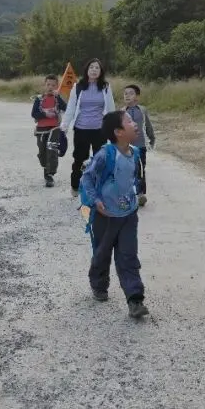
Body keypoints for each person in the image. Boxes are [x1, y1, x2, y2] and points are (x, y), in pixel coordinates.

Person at [78, 110, 149, 319]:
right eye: (129, 121)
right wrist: (95, 201)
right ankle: (99, 284)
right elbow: (87, 179)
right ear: (118, 132)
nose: (134, 123)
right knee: (102, 253)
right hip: (105, 216)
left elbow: (132, 179)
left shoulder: (135, 153)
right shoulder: (105, 154)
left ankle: (135, 299)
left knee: (128, 256)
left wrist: (136, 194)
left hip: (128, 215)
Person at [60, 58, 116, 194]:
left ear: (101, 71)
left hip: (100, 130)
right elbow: (71, 108)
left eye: (97, 68)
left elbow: (110, 108)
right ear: (87, 70)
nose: (94, 70)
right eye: (91, 67)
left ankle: (98, 187)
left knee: (101, 159)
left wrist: (114, 127)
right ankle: (75, 186)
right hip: (81, 129)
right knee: (80, 158)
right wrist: (64, 125)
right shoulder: (78, 86)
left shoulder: (105, 87)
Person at [31, 74, 68, 188]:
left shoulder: (57, 99)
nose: (50, 87)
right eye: (48, 85)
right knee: (43, 152)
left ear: (57, 86)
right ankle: (45, 165)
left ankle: (49, 175)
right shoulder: (39, 99)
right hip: (41, 130)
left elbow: (66, 108)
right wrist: (45, 114)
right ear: (45, 85)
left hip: (54, 128)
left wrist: (59, 97)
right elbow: (34, 114)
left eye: (53, 85)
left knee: (51, 150)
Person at [122, 84, 156, 206]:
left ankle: (141, 194)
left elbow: (148, 125)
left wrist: (152, 138)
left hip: (140, 145)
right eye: (125, 93)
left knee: (140, 170)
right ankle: (126, 195)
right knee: (126, 171)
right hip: (125, 147)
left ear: (137, 97)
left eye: (131, 93)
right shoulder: (121, 112)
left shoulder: (142, 110)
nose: (127, 95)